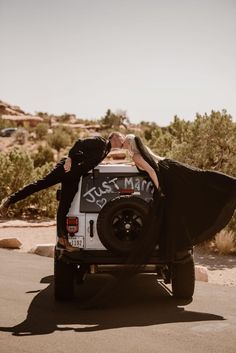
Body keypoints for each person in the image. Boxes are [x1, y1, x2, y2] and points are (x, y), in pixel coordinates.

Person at [110, 132, 236, 262]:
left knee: (190, 190)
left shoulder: (136, 156)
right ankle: (232, 184)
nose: (122, 145)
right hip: (170, 166)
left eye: (124, 143)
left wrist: (160, 189)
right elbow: (148, 165)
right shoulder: (141, 153)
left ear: (130, 144)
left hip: (168, 175)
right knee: (201, 178)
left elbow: (152, 171)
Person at [0, 134, 124, 251]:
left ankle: (62, 239)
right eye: (121, 138)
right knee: (40, 184)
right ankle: (9, 201)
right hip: (67, 168)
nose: (122, 141)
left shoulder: (106, 150)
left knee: (65, 206)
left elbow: (90, 161)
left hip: (75, 176)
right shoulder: (100, 141)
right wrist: (69, 159)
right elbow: (79, 143)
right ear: (114, 136)